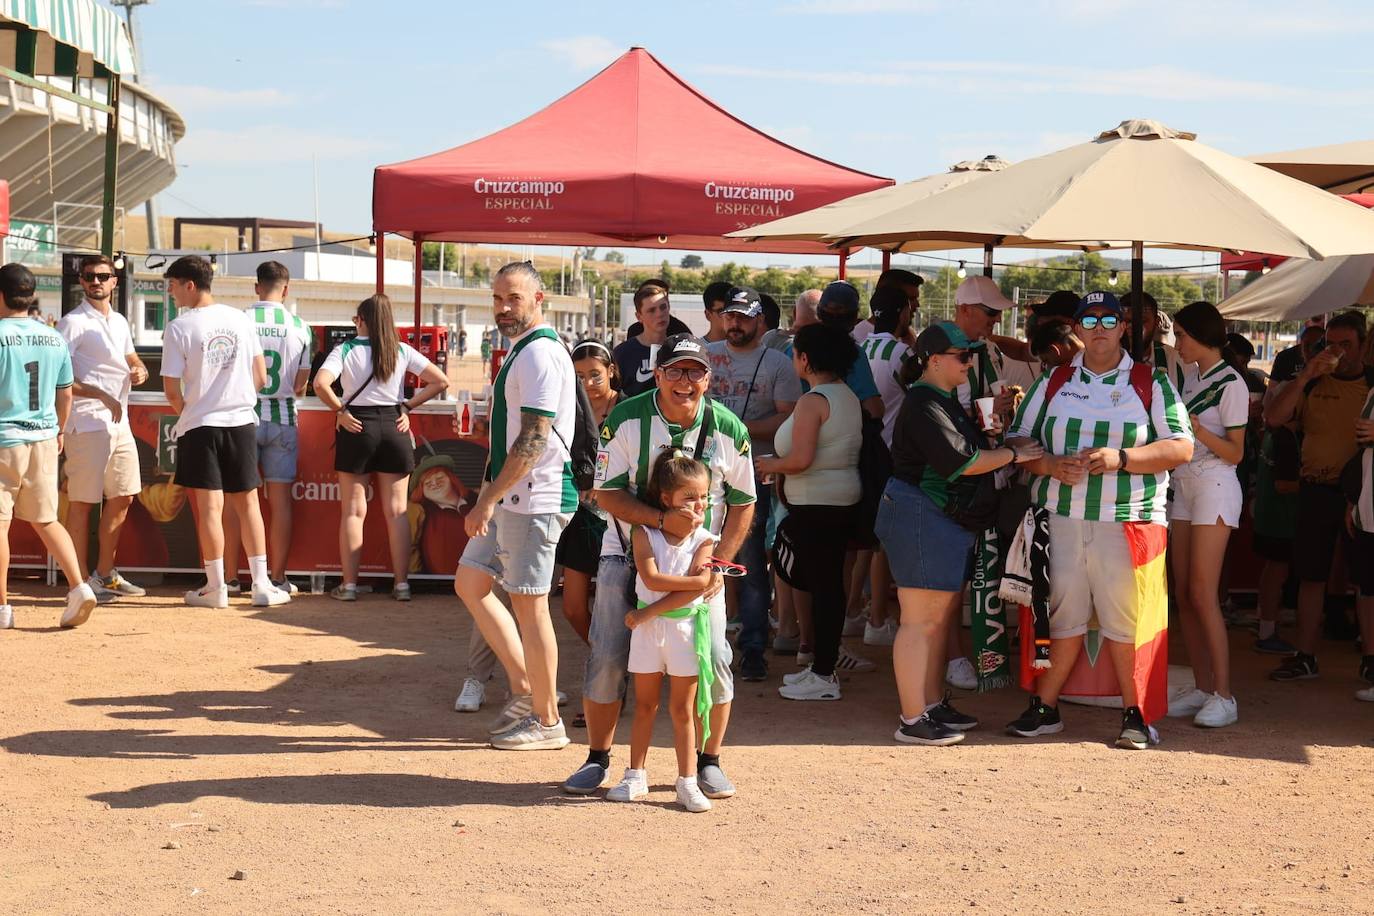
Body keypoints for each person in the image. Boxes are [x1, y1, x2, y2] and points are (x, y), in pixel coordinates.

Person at [563, 333, 754, 799]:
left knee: (714, 659)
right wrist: (659, 521)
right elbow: (606, 493)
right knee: (608, 654)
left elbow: (744, 502)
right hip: (624, 551)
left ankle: (708, 762)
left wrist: (720, 565)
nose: (684, 381)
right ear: (658, 375)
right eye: (674, 371)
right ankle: (597, 758)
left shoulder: (730, 429)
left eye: (694, 371)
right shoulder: (628, 418)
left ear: (708, 377)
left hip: (701, 565)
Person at [1005, 290, 1193, 750]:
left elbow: (1181, 447)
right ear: (1077, 329)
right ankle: (1045, 708)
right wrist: (1048, 465)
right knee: (1059, 617)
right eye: (1089, 321)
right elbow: (1017, 439)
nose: (1100, 329)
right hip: (1061, 518)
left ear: (1124, 326)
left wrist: (1122, 458)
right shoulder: (1053, 381)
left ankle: (1138, 715)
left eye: (1109, 319)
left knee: (1128, 622)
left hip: (1129, 522)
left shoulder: (1151, 382)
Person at [876, 321, 1042, 744]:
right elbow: (963, 463)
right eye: (963, 356)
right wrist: (1013, 453)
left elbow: (964, 453)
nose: (970, 361)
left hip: (936, 516)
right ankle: (913, 718)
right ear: (934, 360)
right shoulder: (924, 401)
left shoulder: (941, 398)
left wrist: (993, 432)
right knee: (918, 621)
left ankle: (929, 706)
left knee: (934, 620)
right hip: (920, 513)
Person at [454, 262, 577, 751]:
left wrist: (486, 498)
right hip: (516, 496)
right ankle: (529, 690)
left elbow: (533, 438)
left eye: (514, 299)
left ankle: (547, 721)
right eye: (498, 299)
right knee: (471, 583)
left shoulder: (539, 354)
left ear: (539, 299)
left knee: (531, 608)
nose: (504, 308)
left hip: (534, 499)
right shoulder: (526, 352)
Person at [159, 256, 287, 609]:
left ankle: (217, 587)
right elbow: (260, 377)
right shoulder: (240, 318)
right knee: (249, 505)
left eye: (172, 284)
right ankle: (261, 584)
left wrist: (192, 411)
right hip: (242, 421)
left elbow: (171, 390)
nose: (170, 292)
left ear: (189, 285)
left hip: (200, 425)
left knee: (210, 508)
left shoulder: (179, 328)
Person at [313, 293, 449, 602]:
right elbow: (440, 381)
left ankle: (348, 586)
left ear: (360, 320)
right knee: (398, 512)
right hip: (393, 424)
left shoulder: (345, 349)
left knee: (353, 511)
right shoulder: (400, 350)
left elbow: (321, 384)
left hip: (355, 426)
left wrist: (340, 411)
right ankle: (402, 585)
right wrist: (408, 406)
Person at [1264, 311, 1373, 682]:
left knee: (1366, 579)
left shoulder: (1371, 385)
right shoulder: (1311, 382)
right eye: (1332, 344)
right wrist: (1307, 374)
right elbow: (1275, 418)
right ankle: (1306, 655)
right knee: (1311, 575)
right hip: (1315, 489)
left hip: (1361, 495)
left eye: (1347, 344)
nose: (1338, 351)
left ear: (1363, 345)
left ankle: (1370, 661)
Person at [606, 451, 717, 813]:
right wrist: (689, 584)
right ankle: (635, 774)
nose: (697, 504)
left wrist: (649, 611)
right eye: (688, 497)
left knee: (683, 710)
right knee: (645, 706)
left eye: (703, 496)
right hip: (648, 633)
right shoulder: (644, 532)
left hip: (683, 630)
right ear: (666, 500)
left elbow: (701, 584)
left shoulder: (705, 539)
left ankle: (687, 781)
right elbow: (651, 578)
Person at [757, 323, 863, 701]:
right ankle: (821, 666)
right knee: (827, 587)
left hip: (818, 505)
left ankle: (823, 673)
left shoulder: (814, 401)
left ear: (805, 358)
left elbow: (800, 459)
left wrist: (767, 464)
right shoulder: (844, 395)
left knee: (825, 589)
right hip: (833, 502)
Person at [706, 285, 800, 682]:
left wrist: (736, 429)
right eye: (730, 316)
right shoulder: (705, 357)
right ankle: (702, 645)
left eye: (743, 317)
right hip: (704, 475)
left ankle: (754, 646)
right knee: (699, 554)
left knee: (750, 562)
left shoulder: (777, 363)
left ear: (759, 320)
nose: (735, 323)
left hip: (751, 472)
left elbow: (788, 415)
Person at [1163, 302, 1250, 729]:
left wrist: (1197, 430)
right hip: (1185, 486)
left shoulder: (1231, 381)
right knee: (1183, 592)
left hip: (1215, 485)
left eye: (1180, 335)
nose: (1176, 343)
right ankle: (1201, 686)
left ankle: (1224, 694)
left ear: (1200, 335)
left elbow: (1236, 452)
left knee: (1202, 592)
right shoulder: (1193, 376)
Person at [0, 264, 98, 630]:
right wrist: (57, 430)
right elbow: (66, 394)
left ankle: (3, 608)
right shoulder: (53, 337)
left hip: (4, 439)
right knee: (47, 520)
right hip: (42, 437)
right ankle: (79, 586)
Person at [56, 254, 148, 602]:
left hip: (118, 421)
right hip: (85, 422)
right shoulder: (72, 323)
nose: (96, 281)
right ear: (81, 282)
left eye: (102, 276)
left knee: (123, 495)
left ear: (114, 282)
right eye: (90, 276)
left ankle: (104, 575)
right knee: (82, 503)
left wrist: (140, 369)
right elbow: (59, 376)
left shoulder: (121, 321)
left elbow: (131, 358)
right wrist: (99, 394)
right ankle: (78, 584)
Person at [223, 261, 312, 596]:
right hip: (284, 418)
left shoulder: (239, 320)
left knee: (235, 503)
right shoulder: (301, 326)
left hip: (243, 416)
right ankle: (277, 577)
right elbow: (302, 385)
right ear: (286, 289)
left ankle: (231, 578)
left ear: (256, 286)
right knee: (280, 503)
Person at [556, 340, 621, 641]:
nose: (588, 382)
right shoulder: (564, 410)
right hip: (578, 515)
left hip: (622, 517)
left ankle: (624, 663)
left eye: (595, 374)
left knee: (620, 604)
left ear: (611, 371)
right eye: (578, 376)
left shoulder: (628, 408)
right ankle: (604, 658)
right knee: (573, 608)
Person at [612, 284, 673, 398]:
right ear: (639, 316)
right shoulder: (622, 354)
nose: (659, 314)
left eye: (663, 307)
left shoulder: (679, 349)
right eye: (651, 310)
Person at [1122, 291, 1185, 390]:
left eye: (1142, 321)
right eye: (1126, 321)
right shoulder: (1102, 359)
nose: (1132, 327)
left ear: (1157, 322)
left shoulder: (1176, 360)